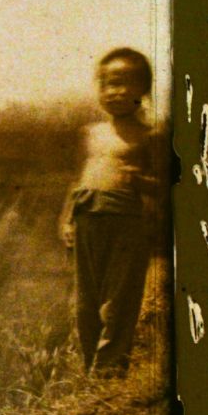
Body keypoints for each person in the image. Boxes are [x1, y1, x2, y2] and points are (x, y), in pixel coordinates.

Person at [60, 47, 163, 376]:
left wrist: (139, 180)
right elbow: (76, 181)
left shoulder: (151, 135)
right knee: (85, 301)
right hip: (87, 216)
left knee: (118, 299)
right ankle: (91, 366)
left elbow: (165, 184)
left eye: (124, 84)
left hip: (125, 221)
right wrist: (65, 219)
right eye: (107, 84)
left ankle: (110, 368)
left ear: (143, 89)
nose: (115, 92)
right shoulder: (90, 133)